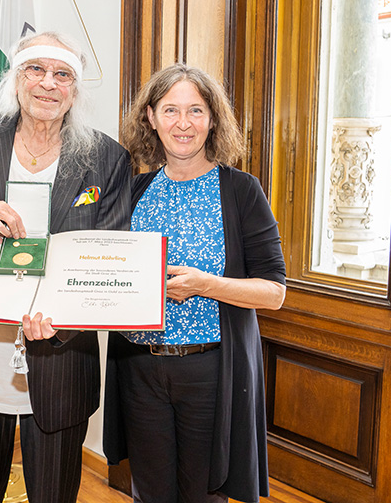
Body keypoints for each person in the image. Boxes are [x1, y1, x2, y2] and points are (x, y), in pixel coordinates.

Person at [0, 31, 131, 503]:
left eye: (62, 74)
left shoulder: (106, 158)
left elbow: (111, 254)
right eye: (35, 69)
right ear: (14, 80)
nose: (48, 83)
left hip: (61, 359)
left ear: (75, 90)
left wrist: (61, 319)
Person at [104, 63, 286, 503]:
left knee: (203, 495)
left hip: (210, 372)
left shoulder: (242, 191)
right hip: (139, 369)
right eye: (170, 110)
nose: (183, 123)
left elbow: (274, 292)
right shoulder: (133, 190)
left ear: (212, 119)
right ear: (150, 117)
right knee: (149, 493)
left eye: (196, 111)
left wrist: (207, 284)